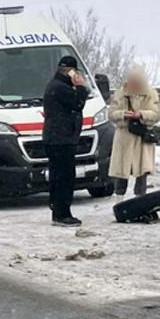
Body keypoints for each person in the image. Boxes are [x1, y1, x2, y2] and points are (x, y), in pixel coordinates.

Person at [42, 55, 89, 227]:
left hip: (56, 138)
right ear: (71, 71)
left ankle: (58, 210)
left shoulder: (55, 85)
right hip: (61, 139)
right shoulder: (61, 88)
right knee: (64, 177)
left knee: (58, 176)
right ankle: (62, 213)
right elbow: (78, 103)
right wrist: (81, 87)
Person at [108, 66, 160, 199]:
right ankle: (119, 200)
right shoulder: (120, 94)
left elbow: (156, 114)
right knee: (121, 172)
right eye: (132, 81)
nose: (134, 84)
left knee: (141, 172)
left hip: (141, 138)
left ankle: (140, 200)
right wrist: (123, 114)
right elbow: (111, 114)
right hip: (124, 138)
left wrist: (141, 114)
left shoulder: (150, 94)